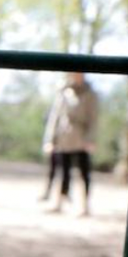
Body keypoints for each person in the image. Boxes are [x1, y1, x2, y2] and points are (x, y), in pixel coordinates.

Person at [42, 72, 99, 215]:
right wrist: (50, 140)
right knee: (63, 171)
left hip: (81, 138)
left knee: (84, 173)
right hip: (64, 137)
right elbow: (54, 117)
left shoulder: (90, 94)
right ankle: (59, 202)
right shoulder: (63, 92)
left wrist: (91, 139)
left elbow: (93, 119)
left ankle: (84, 205)